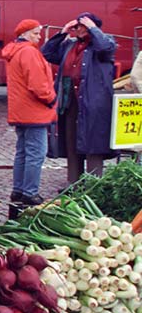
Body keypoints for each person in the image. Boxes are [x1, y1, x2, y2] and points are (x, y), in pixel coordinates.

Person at [41, 12, 116, 184]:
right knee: (72, 143)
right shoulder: (70, 45)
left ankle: (93, 187)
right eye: (77, 26)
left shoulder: (103, 45)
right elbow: (47, 53)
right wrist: (62, 33)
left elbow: (105, 47)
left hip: (93, 103)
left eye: (82, 26)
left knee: (93, 143)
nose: (78, 30)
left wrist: (92, 28)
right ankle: (74, 185)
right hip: (70, 103)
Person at [2, 19, 56, 213]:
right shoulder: (29, 52)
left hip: (20, 111)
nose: (39, 37)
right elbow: (38, 85)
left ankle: (18, 190)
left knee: (23, 152)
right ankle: (29, 192)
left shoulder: (15, 51)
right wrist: (51, 99)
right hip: (34, 111)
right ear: (24, 34)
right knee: (36, 153)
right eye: (35, 33)